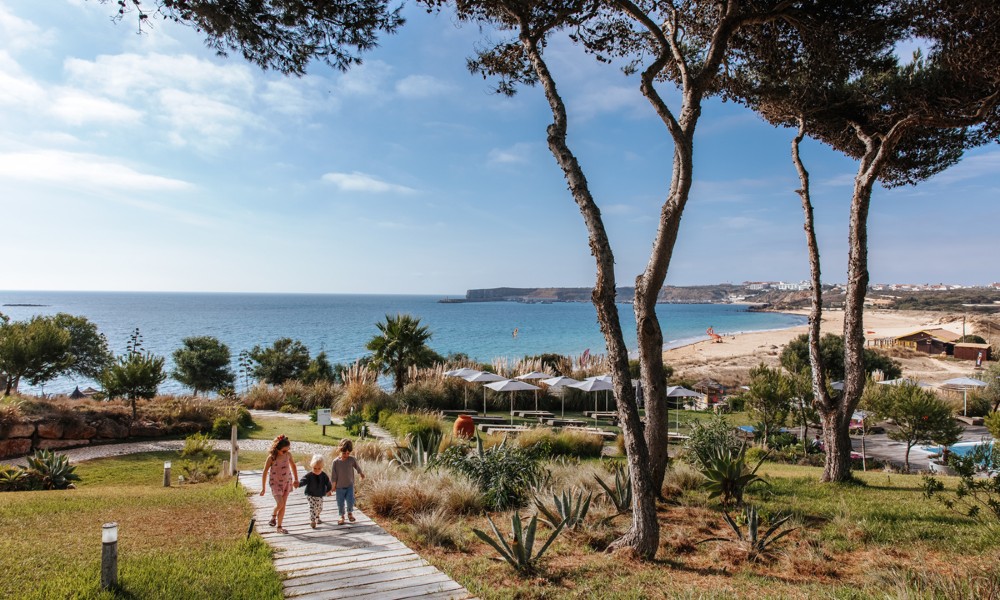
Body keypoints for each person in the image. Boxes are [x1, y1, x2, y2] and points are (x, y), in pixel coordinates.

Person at [260, 434, 298, 534]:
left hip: (287, 482)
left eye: (288, 449)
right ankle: (273, 514)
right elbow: (264, 472)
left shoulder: (288, 455)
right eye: (284, 451)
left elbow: (293, 466)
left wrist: (296, 479)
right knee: (280, 503)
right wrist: (263, 488)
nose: (286, 452)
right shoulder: (271, 458)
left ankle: (279, 527)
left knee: (283, 505)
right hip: (275, 483)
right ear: (277, 448)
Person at [330, 438, 366, 525]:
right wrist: (333, 486)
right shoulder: (336, 462)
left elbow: (357, 467)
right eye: (344, 453)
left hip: (349, 486)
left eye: (348, 453)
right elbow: (334, 476)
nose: (346, 455)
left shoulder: (351, 460)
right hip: (339, 487)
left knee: (350, 501)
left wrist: (361, 473)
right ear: (340, 450)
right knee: (340, 503)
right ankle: (341, 516)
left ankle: (350, 513)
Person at [299, 454, 333, 528]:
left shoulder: (324, 476)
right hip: (310, 494)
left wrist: (328, 490)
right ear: (312, 466)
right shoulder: (309, 475)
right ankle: (312, 520)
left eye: (319, 468)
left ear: (322, 467)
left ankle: (317, 516)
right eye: (315, 468)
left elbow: (328, 483)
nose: (317, 470)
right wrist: (299, 484)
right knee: (312, 507)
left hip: (320, 494)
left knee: (319, 508)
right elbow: (303, 481)